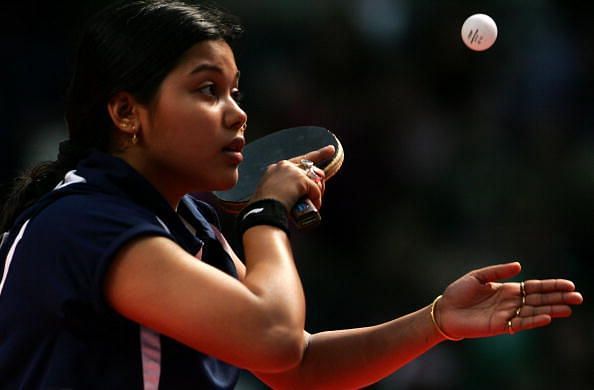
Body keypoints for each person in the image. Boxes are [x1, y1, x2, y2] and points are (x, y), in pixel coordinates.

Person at [0, 1, 583, 389]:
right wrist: (266, 215)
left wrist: (438, 321)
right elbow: (273, 338)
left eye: (235, 90)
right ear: (127, 112)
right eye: (208, 90)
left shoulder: (183, 221)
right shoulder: (86, 222)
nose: (238, 113)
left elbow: (299, 367)